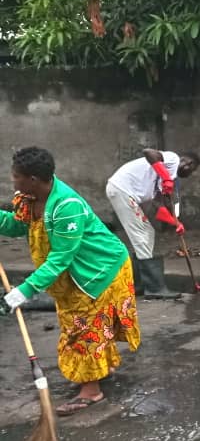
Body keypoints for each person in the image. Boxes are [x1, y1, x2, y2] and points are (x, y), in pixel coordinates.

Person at [0, 147, 140, 416]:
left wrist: (22, 292)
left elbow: (60, 258)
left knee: (83, 329)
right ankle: (101, 369)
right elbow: (18, 226)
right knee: (81, 323)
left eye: (16, 176)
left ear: (33, 178)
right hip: (73, 274)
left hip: (98, 269)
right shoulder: (29, 197)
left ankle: (92, 392)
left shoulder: (66, 207)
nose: (12, 180)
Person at [106, 148, 200, 298]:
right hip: (122, 189)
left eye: (192, 168)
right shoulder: (172, 159)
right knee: (142, 235)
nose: (188, 169)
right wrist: (166, 178)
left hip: (123, 192)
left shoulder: (168, 178)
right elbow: (148, 152)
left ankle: (139, 285)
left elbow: (159, 206)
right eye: (189, 165)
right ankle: (154, 289)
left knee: (146, 232)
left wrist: (175, 223)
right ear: (184, 161)